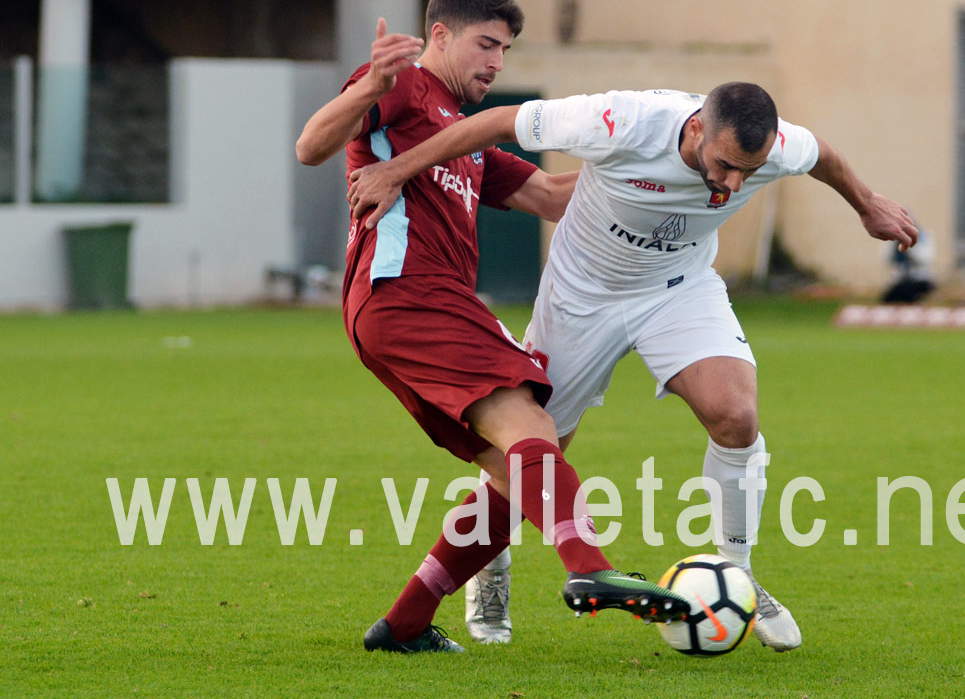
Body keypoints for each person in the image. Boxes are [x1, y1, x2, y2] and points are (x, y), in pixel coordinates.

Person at [346, 81, 919, 652]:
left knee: (737, 415)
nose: (733, 184)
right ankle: (489, 569)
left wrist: (868, 206)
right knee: (529, 454)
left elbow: (825, 157)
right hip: (581, 294)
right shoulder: (620, 120)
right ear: (696, 128)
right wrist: (396, 171)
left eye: (750, 169)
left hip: (678, 289)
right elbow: (498, 124)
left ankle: (736, 576)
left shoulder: (775, 148)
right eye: (724, 165)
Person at [295, 0, 687, 655]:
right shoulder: (405, 87)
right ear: (438, 36)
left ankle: (405, 626)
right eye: (486, 45)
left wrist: (662, 169)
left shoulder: (465, 134)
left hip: (415, 306)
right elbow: (311, 146)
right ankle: (589, 570)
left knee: (522, 470)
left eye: (505, 51)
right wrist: (369, 87)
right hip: (405, 291)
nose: (496, 63)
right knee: (533, 428)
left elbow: (550, 195)